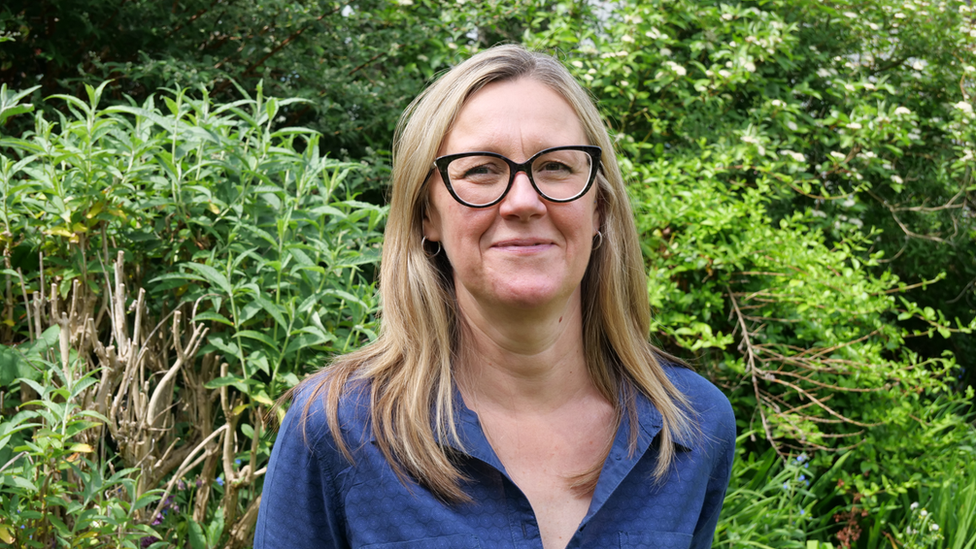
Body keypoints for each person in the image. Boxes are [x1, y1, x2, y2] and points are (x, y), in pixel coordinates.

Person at [254, 44, 735, 549]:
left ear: (599, 208)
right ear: (427, 215)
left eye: (556, 167)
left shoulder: (692, 426)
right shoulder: (337, 427)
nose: (524, 201)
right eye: (481, 170)